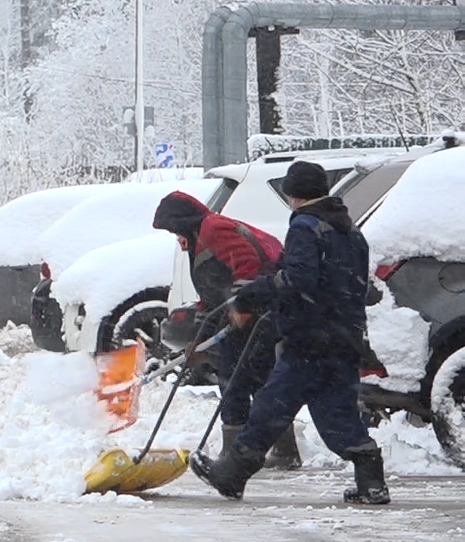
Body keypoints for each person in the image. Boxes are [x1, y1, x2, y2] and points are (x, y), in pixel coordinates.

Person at [191, 161, 389, 504]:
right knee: (337, 412)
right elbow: (353, 283)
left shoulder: (306, 226)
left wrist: (256, 293)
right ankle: (371, 481)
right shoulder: (348, 228)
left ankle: (233, 473)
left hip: (311, 337)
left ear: (292, 193)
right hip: (345, 335)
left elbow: (299, 277)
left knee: (271, 405)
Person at [150, 191, 299, 467]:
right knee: (249, 381)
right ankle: (273, 449)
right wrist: (199, 338)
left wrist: (243, 306)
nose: (175, 236)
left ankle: (240, 455)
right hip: (243, 313)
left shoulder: (213, 230)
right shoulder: (202, 233)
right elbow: (212, 293)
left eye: (173, 229)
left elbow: (249, 264)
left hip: (255, 314)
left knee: (238, 381)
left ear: (182, 221)